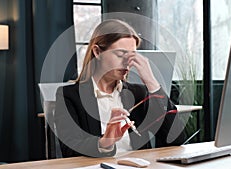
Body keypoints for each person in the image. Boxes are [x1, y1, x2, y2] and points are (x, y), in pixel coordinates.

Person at [54, 19, 185, 158]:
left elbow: (176, 139)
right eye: (120, 54)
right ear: (97, 52)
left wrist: (152, 83)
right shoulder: (69, 95)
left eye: (131, 56)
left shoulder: (139, 93)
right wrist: (105, 142)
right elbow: (69, 150)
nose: (127, 63)